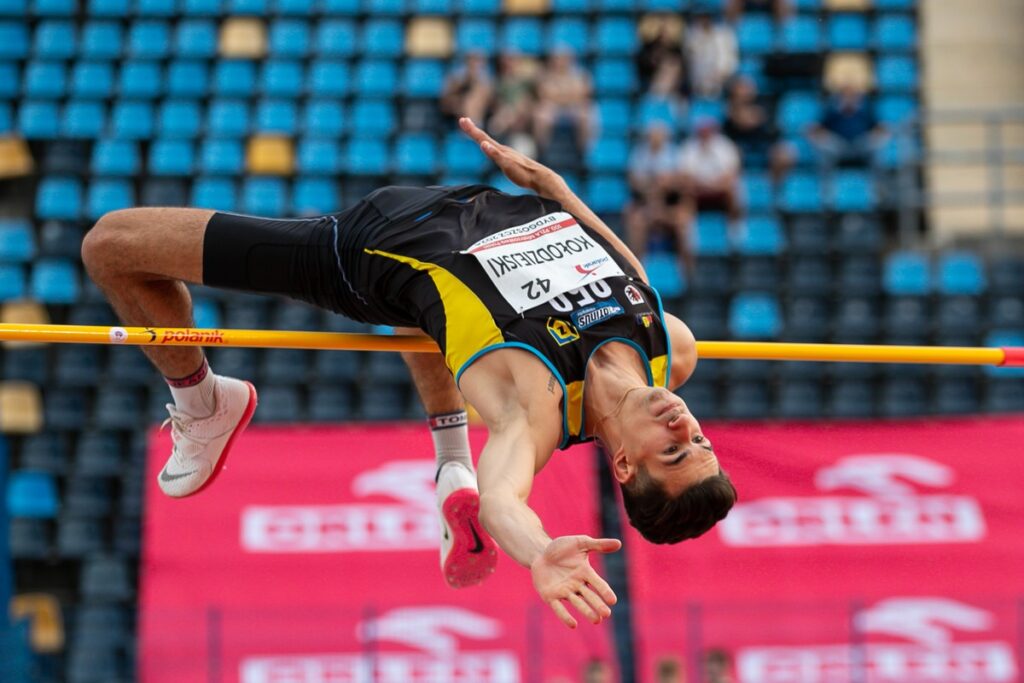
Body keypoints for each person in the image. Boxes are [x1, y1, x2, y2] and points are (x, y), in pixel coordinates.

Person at [80, 118, 736, 630]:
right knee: (444, 315)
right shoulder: (668, 348)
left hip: (360, 249)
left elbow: (505, 499)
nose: (685, 425)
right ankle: (446, 458)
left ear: (623, 465)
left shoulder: (532, 411)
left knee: (111, 246)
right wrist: (556, 190)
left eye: (674, 450)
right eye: (700, 441)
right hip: (471, 208)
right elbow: (623, 265)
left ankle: (202, 405)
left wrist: (537, 553)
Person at [625, 122, 695, 276]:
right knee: (636, 223)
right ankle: (637, 270)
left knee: (683, 223)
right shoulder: (639, 153)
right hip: (646, 203)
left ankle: (687, 271)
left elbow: (683, 183)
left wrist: (665, 184)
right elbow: (634, 182)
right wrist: (654, 185)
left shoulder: (675, 153)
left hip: (671, 204)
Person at [722, 75, 794, 182]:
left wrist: (747, 117)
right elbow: (740, 122)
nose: (745, 91)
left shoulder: (764, 101)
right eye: (741, 88)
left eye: (748, 87)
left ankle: (774, 189)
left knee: (785, 154)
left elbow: (753, 120)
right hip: (739, 144)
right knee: (730, 156)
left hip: (766, 142)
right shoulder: (729, 107)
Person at [678, 117, 744, 225]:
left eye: (708, 130)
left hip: (719, 187)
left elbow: (731, 175)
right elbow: (685, 176)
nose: (705, 134)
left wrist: (713, 186)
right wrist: (703, 185)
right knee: (686, 192)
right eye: (703, 131)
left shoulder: (726, 146)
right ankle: (690, 230)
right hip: (697, 188)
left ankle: (735, 229)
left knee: (732, 191)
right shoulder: (689, 147)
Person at [808, 83, 887, 168]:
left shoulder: (865, 110)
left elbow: (878, 126)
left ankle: (876, 180)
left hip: (861, 144)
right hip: (838, 145)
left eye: (852, 96)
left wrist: (876, 134)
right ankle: (826, 180)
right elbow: (820, 127)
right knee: (824, 146)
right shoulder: (833, 110)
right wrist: (821, 134)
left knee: (878, 145)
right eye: (846, 96)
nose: (849, 99)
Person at [533, 48, 594, 153]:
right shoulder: (546, 74)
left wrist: (560, 95)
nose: (560, 61)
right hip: (553, 107)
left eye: (564, 58)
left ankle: (583, 152)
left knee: (585, 115)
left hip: (574, 106)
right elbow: (544, 94)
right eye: (558, 58)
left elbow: (584, 94)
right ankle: (542, 151)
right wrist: (568, 95)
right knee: (541, 116)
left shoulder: (580, 74)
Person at [685, 12, 737, 99]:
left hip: (720, 83)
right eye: (701, 17)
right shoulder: (691, 34)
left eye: (707, 17)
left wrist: (720, 75)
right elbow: (690, 60)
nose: (704, 20)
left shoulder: (724, 34)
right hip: (697, 84)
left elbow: (730, 63)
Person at [439, 50, 493, 124]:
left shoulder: (486, 80)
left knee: (473, 98)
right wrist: (464, 82)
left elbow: (489, 100)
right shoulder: (455, 77)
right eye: (472, 60)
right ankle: (470, 125)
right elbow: (446, 100)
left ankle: (472, 125)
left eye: (477, 61)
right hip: (456, 107)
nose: (474, 64)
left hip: (478, 108)